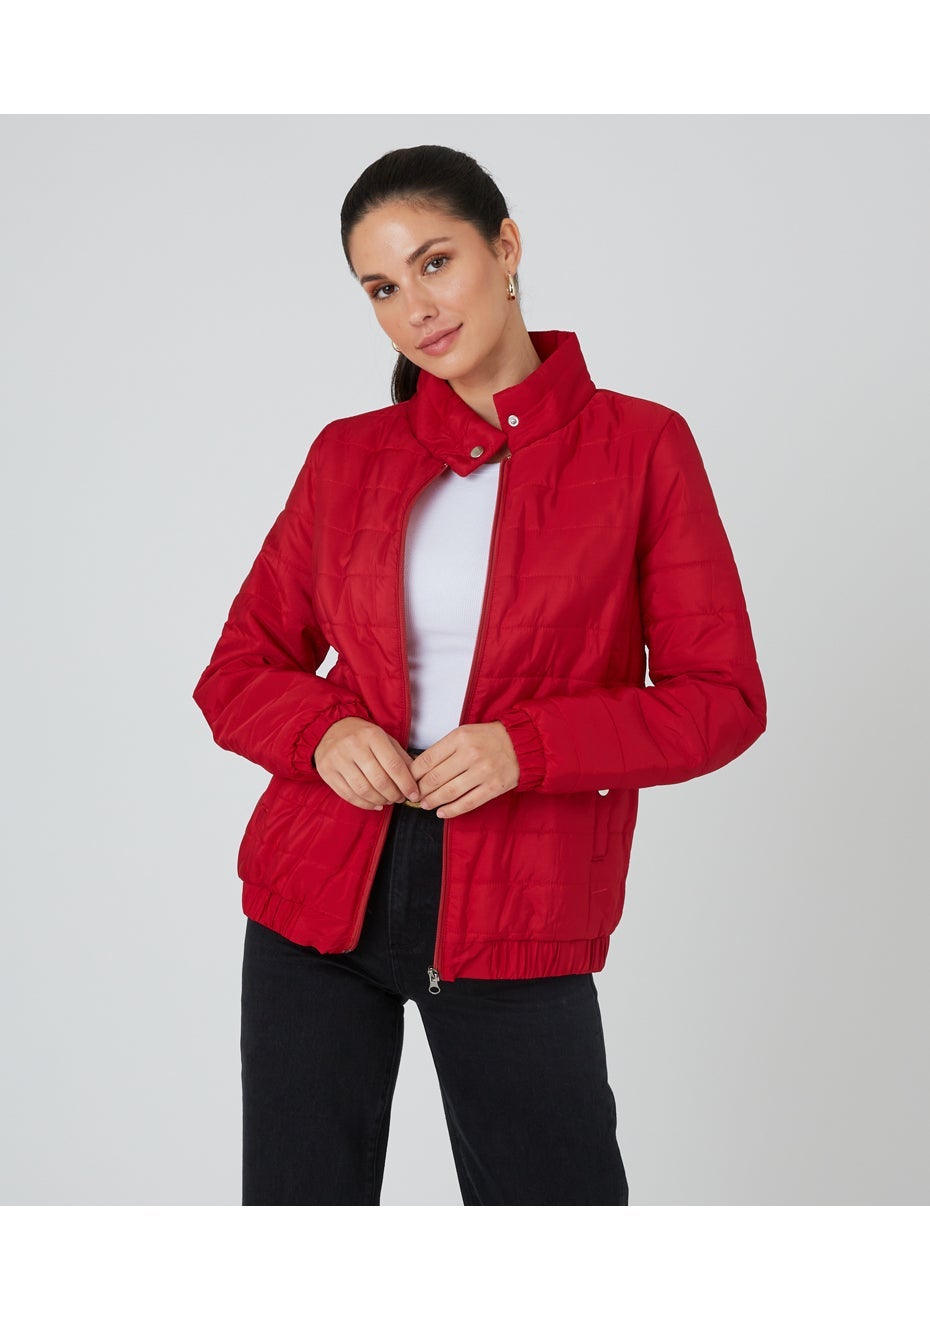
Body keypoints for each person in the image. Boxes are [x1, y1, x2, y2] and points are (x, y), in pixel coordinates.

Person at [192, 143, 767, 1206]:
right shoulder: (347, 456)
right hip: (313, 899)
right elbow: (238, 668)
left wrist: (527, 748)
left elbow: (721, 701)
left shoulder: (641, 448)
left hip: (521, 909)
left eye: (435, 262)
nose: (415, 307)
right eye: (381, 287)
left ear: (505, 247)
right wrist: (322, 732)